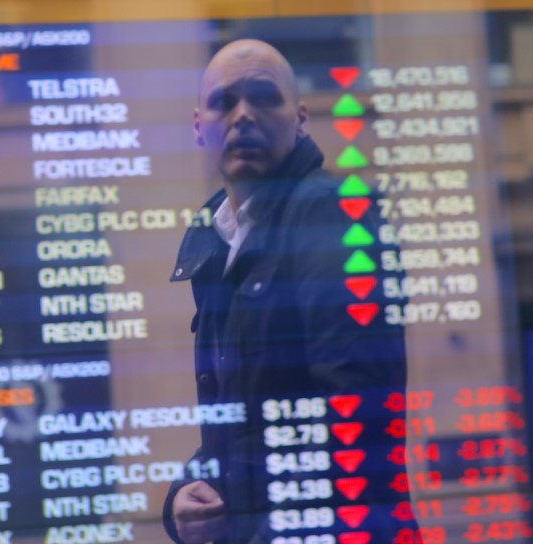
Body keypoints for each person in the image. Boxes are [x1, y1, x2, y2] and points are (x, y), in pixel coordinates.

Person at [163, 39, 411, 543]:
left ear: (300, 120)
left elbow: (355, 419)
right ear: (198, 127)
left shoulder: (335, 213)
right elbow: (240, 428)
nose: (243, 115)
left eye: (263, 97)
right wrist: (184, 496)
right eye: (224, 102)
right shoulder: (215, 240)